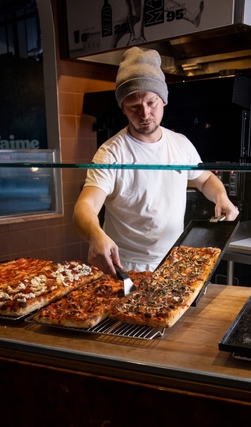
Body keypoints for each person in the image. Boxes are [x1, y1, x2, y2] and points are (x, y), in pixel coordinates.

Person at [73, 46, 238, 277]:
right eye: (134, 107)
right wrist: (95, 234)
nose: (144, 114)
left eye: (151, 103)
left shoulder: (180, 143)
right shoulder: (110, 153)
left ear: (163, 100)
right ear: (123, 108)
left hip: (174, 263)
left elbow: (205, 179)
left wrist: (221, 196)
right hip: (125, 268)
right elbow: (85, 207)